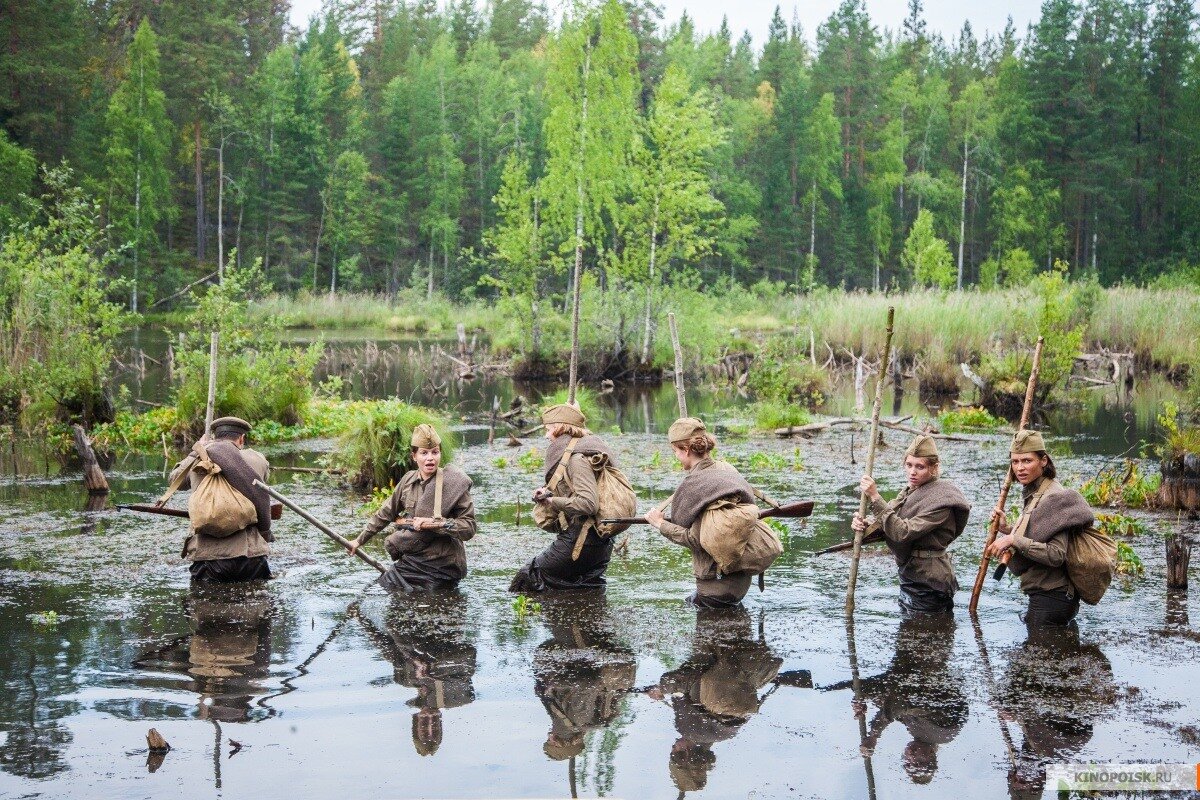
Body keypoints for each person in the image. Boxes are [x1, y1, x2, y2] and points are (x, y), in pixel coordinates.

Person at [646, 607, 783, 795]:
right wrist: (661, 689)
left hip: (743, 651)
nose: (672, 747)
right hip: (714, 641)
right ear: (685, 755)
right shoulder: (687, 728)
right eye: (673, 753)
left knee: (734, 607)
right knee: (711, 604)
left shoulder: (728, 733)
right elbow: (683, 681)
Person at [836, 614, 968, 784]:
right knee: (926, 603)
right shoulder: (941, 733)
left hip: (916, 642)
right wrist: (874, 735)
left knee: (912, 608)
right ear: (931, 756)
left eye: (907, 762)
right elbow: (901, 704)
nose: (910, 756)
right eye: (918, 762)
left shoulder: (920, 733)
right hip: (929, 639)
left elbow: (897, 706)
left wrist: (865, 699)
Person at [984, 430, 1094, 627]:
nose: (1020, 468)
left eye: (1027, 461)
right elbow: (1040, 534)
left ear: (1043, 461)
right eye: (1015, 462)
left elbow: (1056, 554)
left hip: (1053, 598)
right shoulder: (1036, 491)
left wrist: (1012, 540)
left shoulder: (1053, 497)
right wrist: (1007, 529)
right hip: (1045, 595)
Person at [852, 434, 971, 614]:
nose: (912, 472)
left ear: (934, 468)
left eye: (920, 466)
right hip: (910, 573)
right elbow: (889, 519)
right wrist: (864, 524)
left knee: (928, 634)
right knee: (908, 634)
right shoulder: (911, 489)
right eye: (909, 465)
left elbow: (902, 531)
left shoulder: (942, 499)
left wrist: (875, 497)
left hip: (929, 581)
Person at [645, 418, 758, 608]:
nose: (676, 457)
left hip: (715, 586)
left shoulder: (694, 485)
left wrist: (660, 524)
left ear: (687, 450)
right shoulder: (728, 470)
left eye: (676, 452)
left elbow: (695, 539)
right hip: (741, 583)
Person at [348, 424, 476, 592]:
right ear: (414, 456)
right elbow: (385, 513)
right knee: (382, 588)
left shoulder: (454, 483)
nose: (430, 458)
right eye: (424, 453)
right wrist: (358, 541)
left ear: (440, 454)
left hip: (443, 566)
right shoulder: (407, 481)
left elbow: (469, 528)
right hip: (414, 561)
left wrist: (437, 523)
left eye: (435, 452)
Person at [509, 403, 617, 592]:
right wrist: (548, 493)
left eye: (549, 429)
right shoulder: (588, 449)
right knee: (583, 590)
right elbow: (576, 490)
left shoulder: (576, 459)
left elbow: (589, 504)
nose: (546, 435)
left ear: (560, 429)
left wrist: (552, 501)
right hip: (599, 545)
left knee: (528, 578)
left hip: (581, 541)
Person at [168, 416, 273, 584]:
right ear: (241, 438)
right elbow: (264, 481)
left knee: (205, 607)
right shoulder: (256, 459)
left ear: (215, 437)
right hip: (251, 556)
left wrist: (197, 450)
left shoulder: (197, 460)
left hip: (207, 558)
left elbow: (174, 481)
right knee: (257, 605)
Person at [533, 596, 636, 764]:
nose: (549, 736)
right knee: (573, 606)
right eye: (550, 741)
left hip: (587, 653)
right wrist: (554, 682)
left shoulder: (570, 721)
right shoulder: (579, 719)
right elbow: (590, 683)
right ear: (559, 742)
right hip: (585, 649)